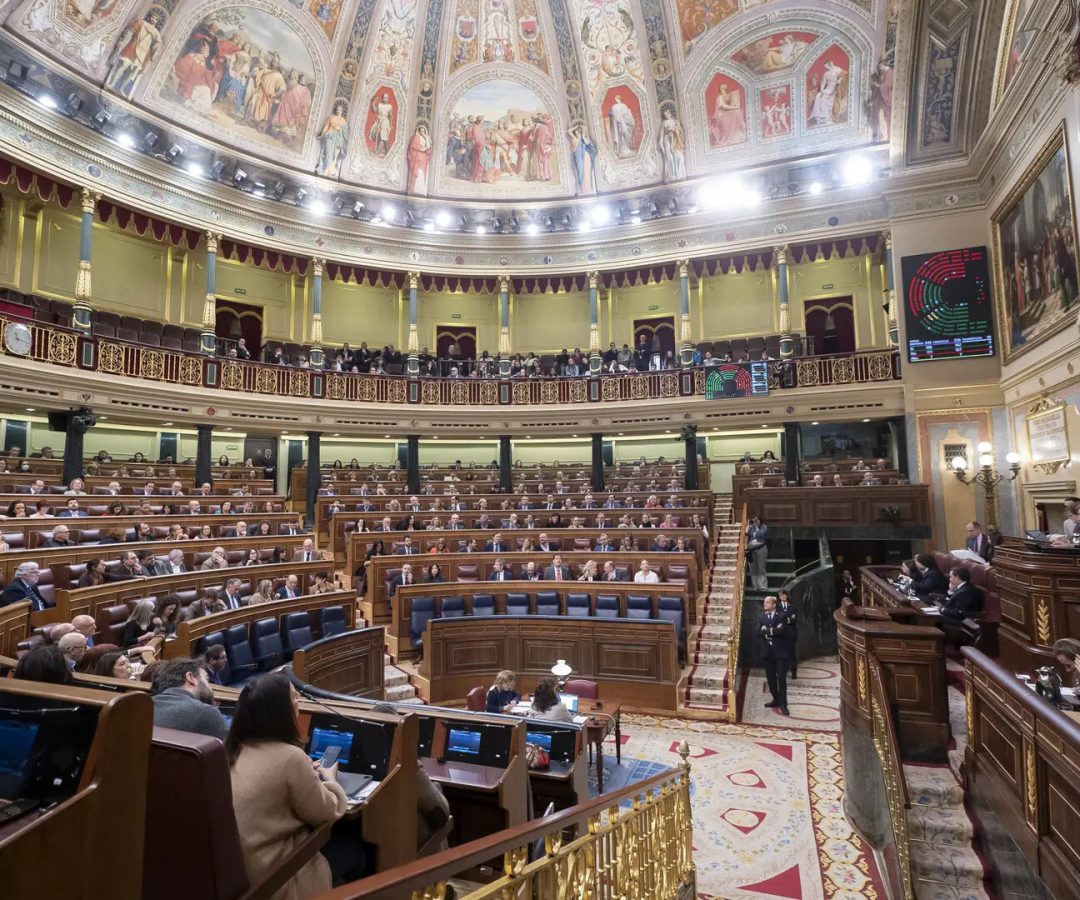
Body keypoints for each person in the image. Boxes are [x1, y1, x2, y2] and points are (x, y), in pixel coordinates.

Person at [227, 674, 362, 895]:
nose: (298, 702)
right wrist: (330, 779)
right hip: (278, 881)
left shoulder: (233, 749)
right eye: (294, 697)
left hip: (244, 874)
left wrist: (305, 770)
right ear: (280, 712)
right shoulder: (290, 757)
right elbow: (327, 811)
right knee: (357, 849)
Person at [150, 658, 230, 740]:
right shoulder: (206, 713)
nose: (210, 688)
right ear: (191, 678)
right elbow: (231, 752)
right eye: (207, 679)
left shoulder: (141, 708)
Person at [757, 595, 790, 715]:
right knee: (770, 679)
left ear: (774, 604)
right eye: (764, 602)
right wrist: (770, 632)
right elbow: (758, 631)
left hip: (780, 652)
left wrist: (767, 631)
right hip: (767, 652)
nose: (764, 604)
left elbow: (781, 631)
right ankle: (775, 699)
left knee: (781, 678)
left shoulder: (781, 615)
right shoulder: (761, 617)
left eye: (767, 602)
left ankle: (783, 704)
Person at [777, 590, 798, 678]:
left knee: (792, 653)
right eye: (781, 595)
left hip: (791, 633)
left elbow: (795, 619)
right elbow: (778, 619)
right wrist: (789, 619)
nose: (783, 596)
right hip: (781, 634)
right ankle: (783, 671)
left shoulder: (792, 607)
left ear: (787, 595)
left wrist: (786, 620)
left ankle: (794, 672)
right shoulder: (777, 607)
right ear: (779, 597)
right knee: (782, 653)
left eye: (784, 595)